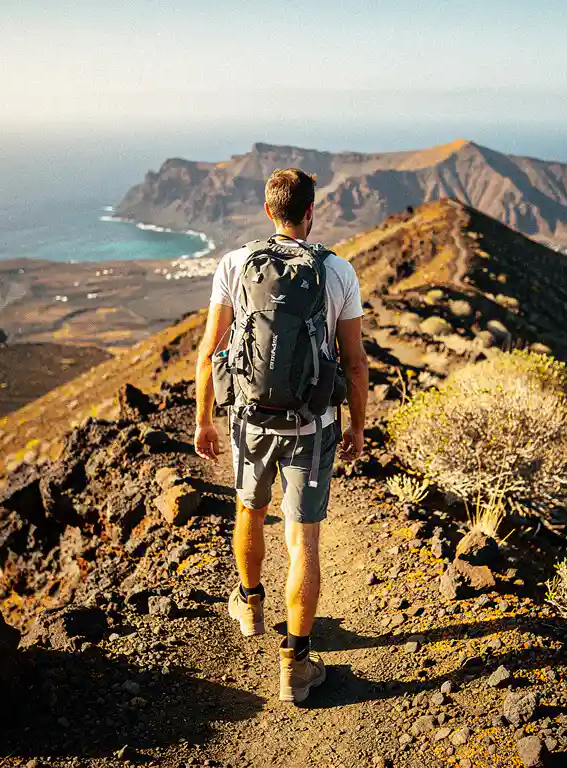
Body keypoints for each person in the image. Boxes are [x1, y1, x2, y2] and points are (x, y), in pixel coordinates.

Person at [194, 168, 369, 704]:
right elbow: (355, 361)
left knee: (249, 509)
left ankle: (249, 604)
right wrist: (358, 425)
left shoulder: (235, 263)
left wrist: (203, 419)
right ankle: (294, 666)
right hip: (312, 427)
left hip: (249, 420)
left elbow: (209, 350)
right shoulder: (337, 271)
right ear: (311, 212)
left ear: (270, 211)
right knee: (304, 540)